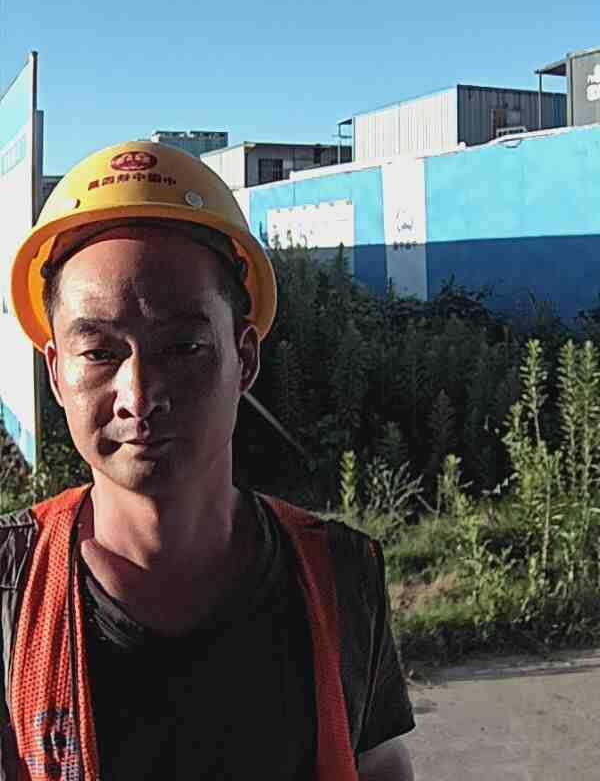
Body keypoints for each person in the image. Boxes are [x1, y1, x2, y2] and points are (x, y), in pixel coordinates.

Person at [5, 140, 415, 780]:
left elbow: (379, 763)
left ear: (244, 359)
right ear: (57, 373)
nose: (139, 396)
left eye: (184, 347)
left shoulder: (340, 575)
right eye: (100, 353)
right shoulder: (9, 589)